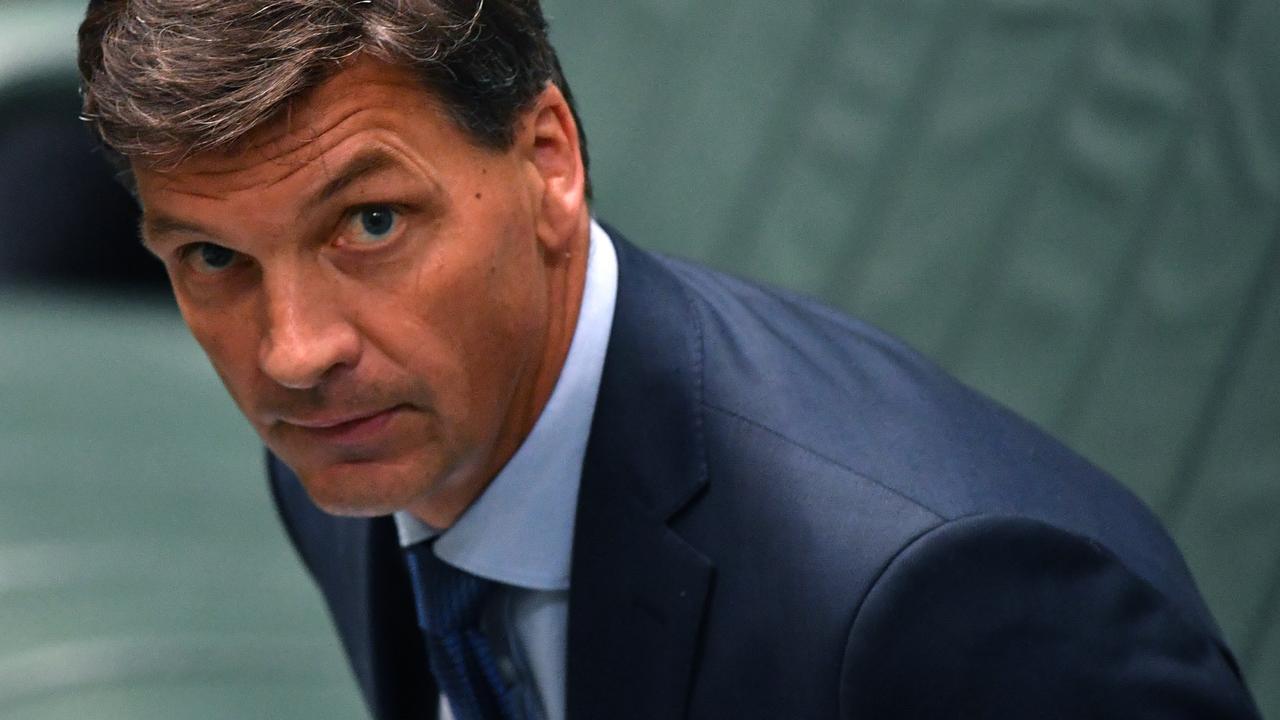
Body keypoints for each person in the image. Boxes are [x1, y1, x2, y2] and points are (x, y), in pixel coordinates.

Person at [77, 1, 1260, 719]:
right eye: (213, 259)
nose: (292, 353)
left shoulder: (939, 600)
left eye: (371, 222)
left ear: (547, 161)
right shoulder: (349, 454)